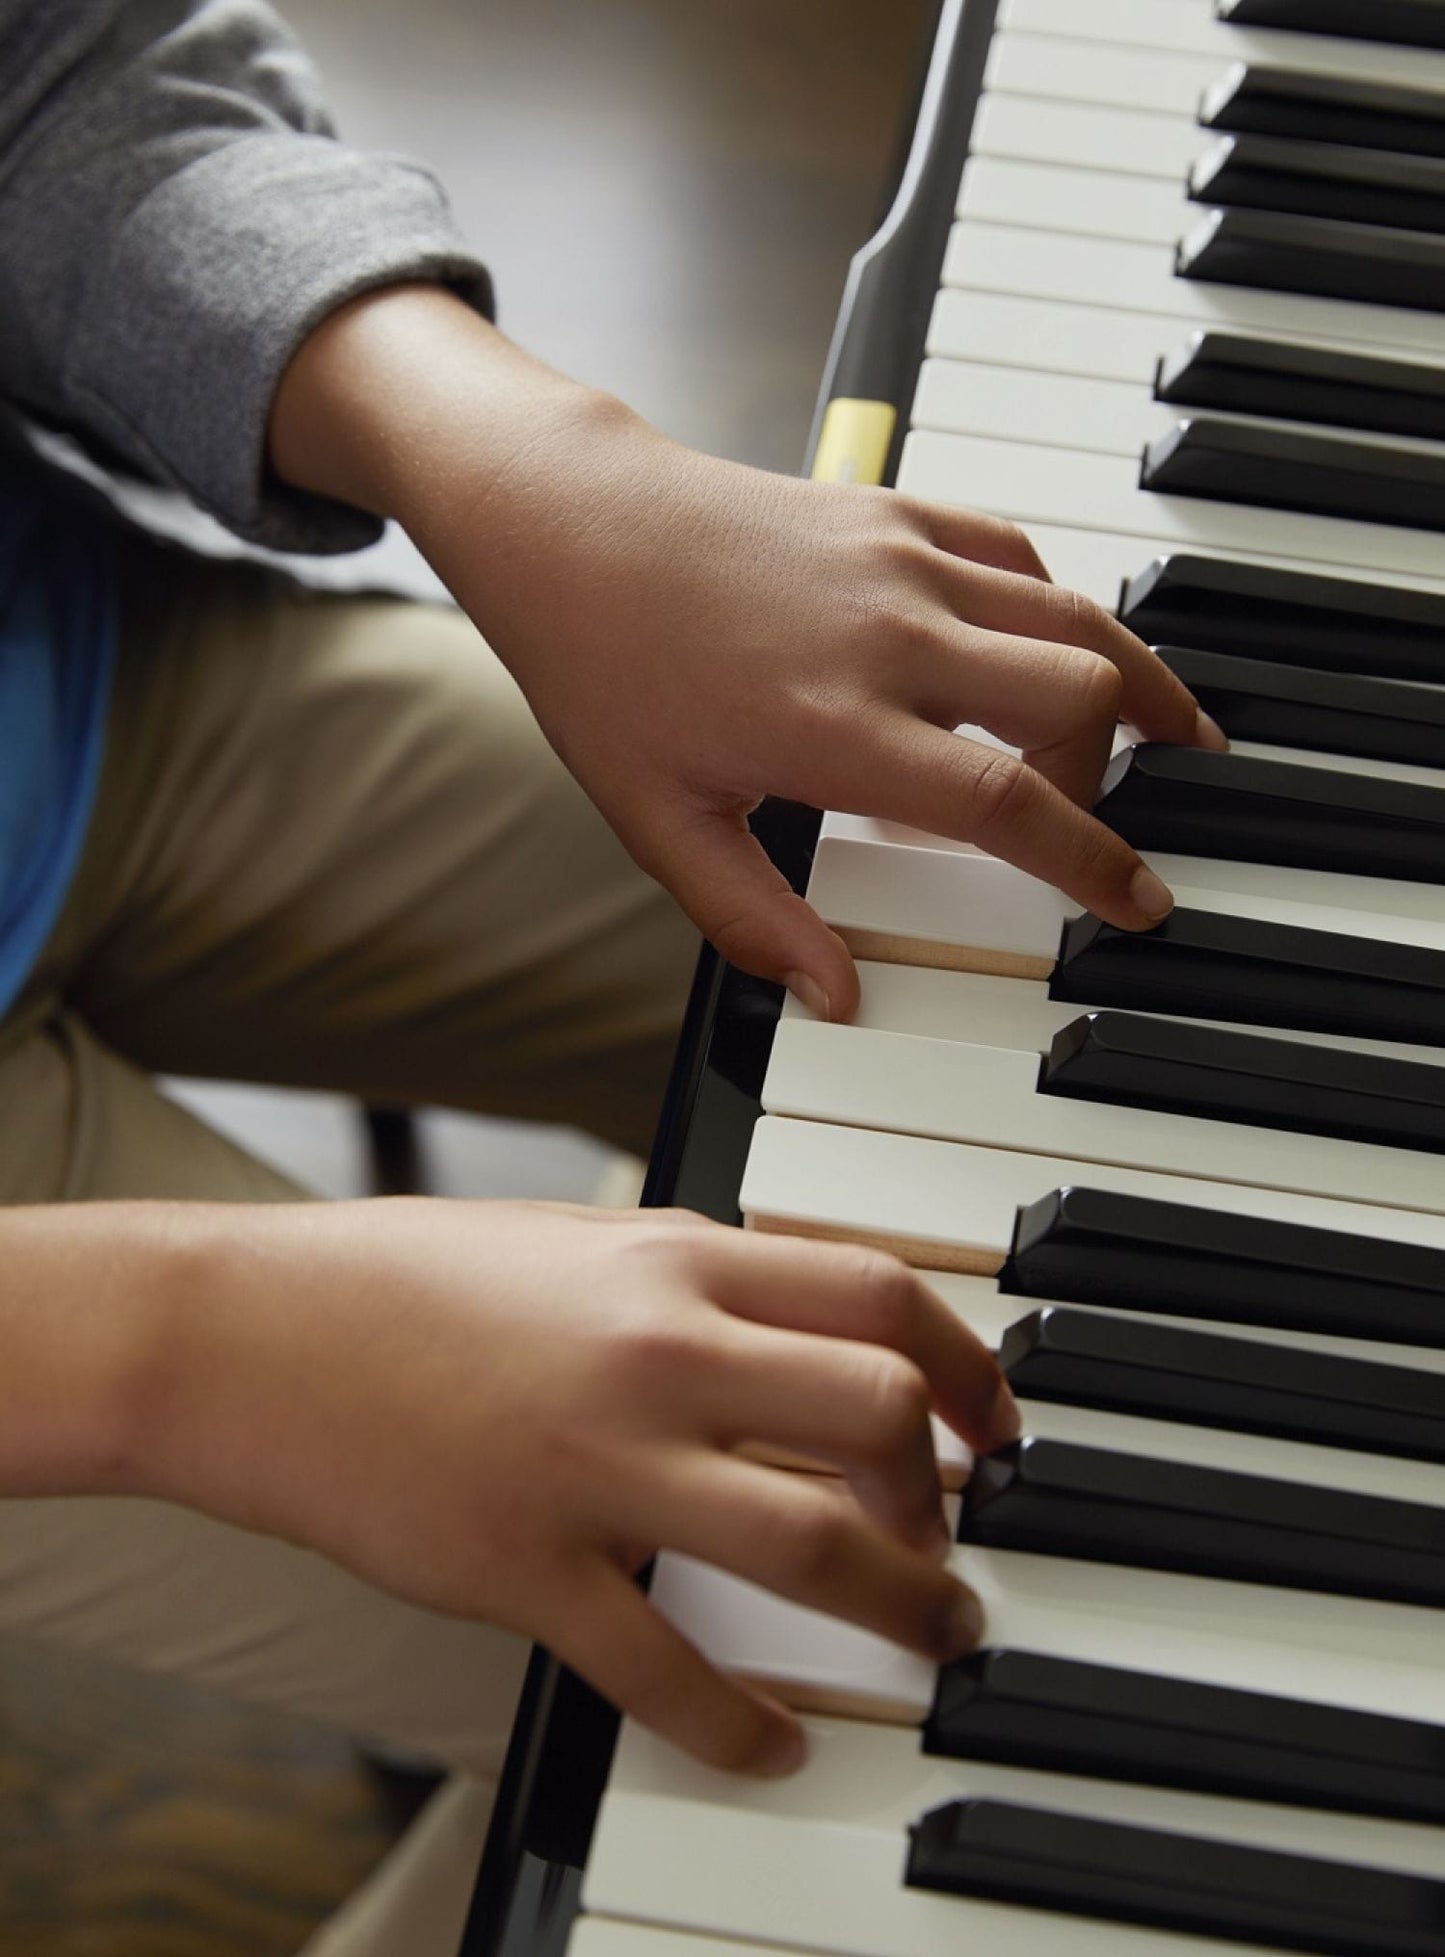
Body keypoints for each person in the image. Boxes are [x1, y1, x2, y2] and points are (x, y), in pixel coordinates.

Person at [0, 2, 1224, 1948]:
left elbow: (51, 69)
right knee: (854, 1691)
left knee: (1060, 948)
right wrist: (186, 1346)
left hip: (79, 708)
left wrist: (517, 458)